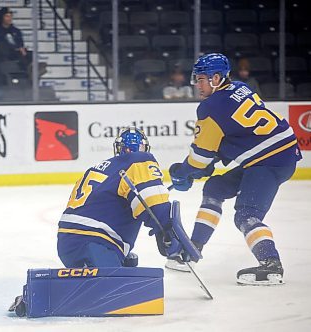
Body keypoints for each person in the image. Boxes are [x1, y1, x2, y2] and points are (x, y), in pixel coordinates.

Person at [168, 53, 302, 285]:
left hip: (268, 161)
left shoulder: (210, 106)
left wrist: (184, 171)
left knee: (247, 215)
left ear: (217, 78)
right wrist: (208, 165)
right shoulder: (240, 87)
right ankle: (192, 249)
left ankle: (271, 266)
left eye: (201, 79)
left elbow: (200, 157)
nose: (196, 85)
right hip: (277, 154)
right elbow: (237, 134)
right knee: (215, 187)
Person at [57, 126, 192, 268]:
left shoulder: (98, 169)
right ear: (144, 148)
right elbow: (153, 202)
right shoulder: (139, 161)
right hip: (97, 242)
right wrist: (168, 230)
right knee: (114, 289)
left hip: (67, 243)